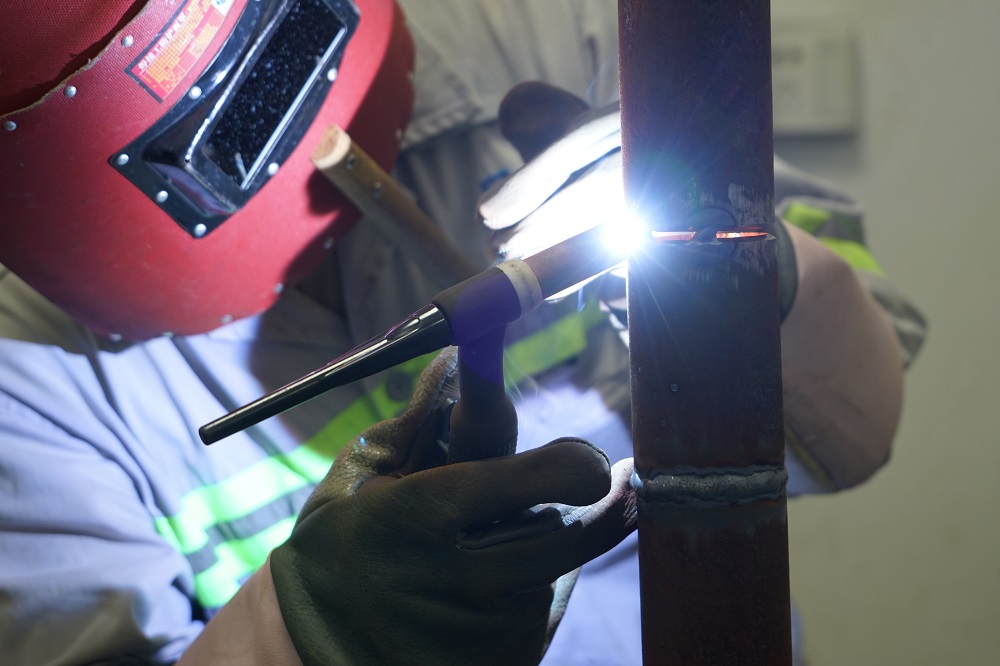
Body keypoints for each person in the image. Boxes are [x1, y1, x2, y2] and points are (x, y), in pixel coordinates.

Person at [0, 1, 925, 665]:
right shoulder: (24, 384)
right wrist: (305, 632)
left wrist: (748, 279)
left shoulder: (550, 35)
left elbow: (857, 434)